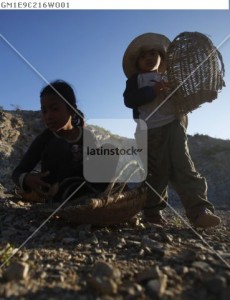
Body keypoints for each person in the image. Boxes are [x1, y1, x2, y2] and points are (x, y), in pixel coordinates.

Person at [122, 32, 221, 228]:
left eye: (153, 53)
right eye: (144, 56)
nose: (149, 58)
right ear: (137, 62)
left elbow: (184, 99)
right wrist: (152, 91)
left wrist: (203, 95)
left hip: (174, 126)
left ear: (161, 58)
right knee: (155, 172)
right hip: (150, 131)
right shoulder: (135, 80)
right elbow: (129, 100)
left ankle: (199, 211)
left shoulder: (169, 78)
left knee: (184, 166)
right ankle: (152, 213)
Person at [12, 80, 116, 202]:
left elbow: (96, 166)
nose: (48, 116)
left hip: (84, 190)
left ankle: (96, 197)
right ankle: (60, 200)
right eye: (44, 111)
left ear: (71, 109)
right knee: (60, 144)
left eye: (55, 109)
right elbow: (17, 172)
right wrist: (26, 179)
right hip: (57, 195)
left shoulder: (87, 136)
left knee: (110, 149)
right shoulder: (45, 138)